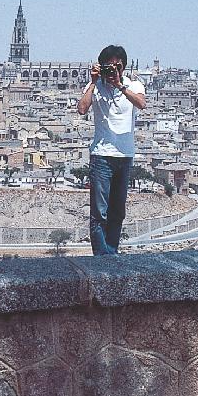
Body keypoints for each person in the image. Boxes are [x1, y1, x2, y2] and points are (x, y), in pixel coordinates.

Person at [77, 44, 147, 255]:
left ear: (124, 67)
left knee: (118, 212)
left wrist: (119, 85)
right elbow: (82, 109)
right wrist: (93, 82)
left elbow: (141, 104)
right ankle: (103, 259)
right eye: (109, 66)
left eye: (117, 66)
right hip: (101, 155)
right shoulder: (95, 87)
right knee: (99, 213)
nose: (113, 70)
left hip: (124, 156)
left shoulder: (134, 85)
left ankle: (111, 255)